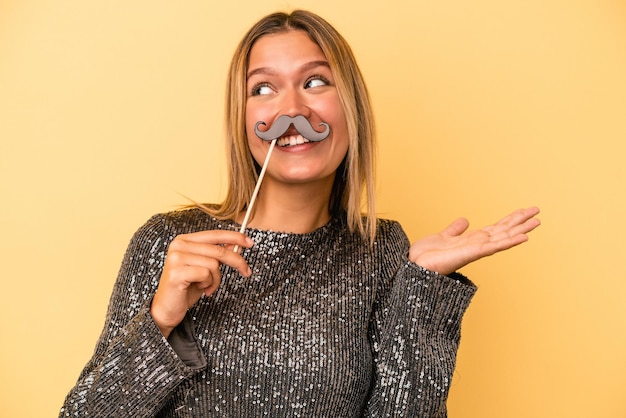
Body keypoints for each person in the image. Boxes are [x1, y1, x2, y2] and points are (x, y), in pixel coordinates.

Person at [59, 9, 540, 418]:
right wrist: (161, 320)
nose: (292, 109)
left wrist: (423, 289)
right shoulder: (169, 242)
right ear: (243, 118)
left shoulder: (381, 249)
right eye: (264, 89)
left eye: (315, 82)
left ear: (350, 106)